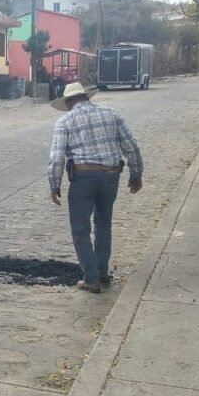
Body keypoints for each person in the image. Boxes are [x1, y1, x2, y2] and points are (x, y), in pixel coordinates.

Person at [48, 82, 143, 293]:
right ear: (86, 97)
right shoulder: (112, 114)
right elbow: (131, 146)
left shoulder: (65, 121)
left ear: (69, 101)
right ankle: (102, 273)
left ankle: (91, 279)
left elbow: (56, 159)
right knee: (103, 224)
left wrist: (54, 185)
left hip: (83, 178)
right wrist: (136, 173)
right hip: (111, 176)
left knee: (80, 230)